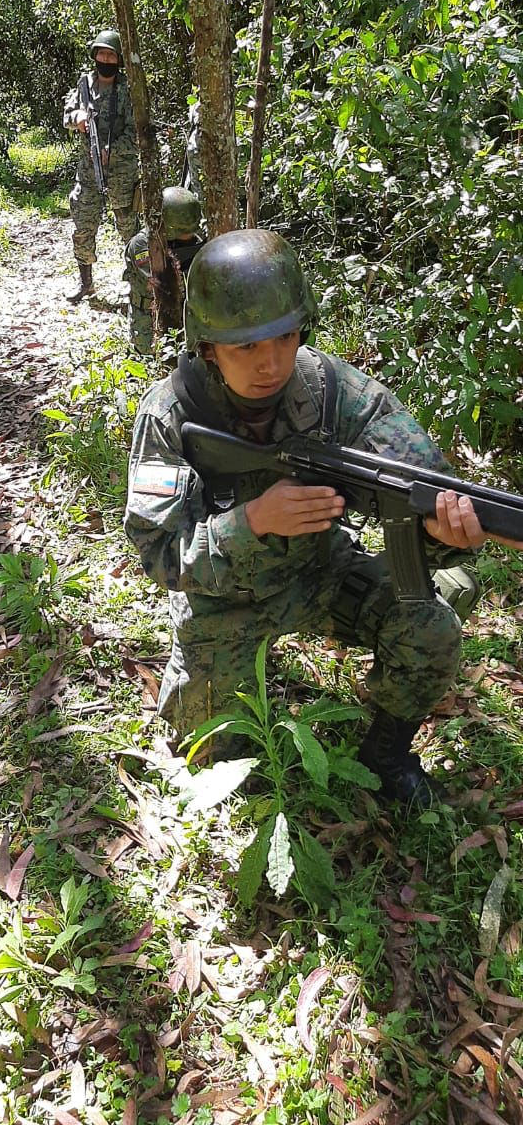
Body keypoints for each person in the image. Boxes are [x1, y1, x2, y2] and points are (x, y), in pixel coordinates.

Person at [124, 229, 523, 806]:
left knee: (431, 625)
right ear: (207, 346)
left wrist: (444, 535)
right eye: (246, 347)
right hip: (224, 598)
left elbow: (425, 485)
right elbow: (160, 554)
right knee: (216, 756)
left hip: (320, 572)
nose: (270, 363)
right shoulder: (171, 415)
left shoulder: (338, 392)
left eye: (285, 338)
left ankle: (385, 754)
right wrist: (252, 521)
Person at [63, 28, 140, 303]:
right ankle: (86, 283)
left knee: (129, 229)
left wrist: (112, 151)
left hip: (121, 172)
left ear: (118, 60)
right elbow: (66, 116)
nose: (105, 60)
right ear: (94, 56)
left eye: (111, 55)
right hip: (88, 171)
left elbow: (137, 134)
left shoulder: (128, 91)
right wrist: (77, 118)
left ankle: (139, 285)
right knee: (83, 225)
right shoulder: (85, 85)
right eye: (101, 54)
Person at [123, 186, 205, 354]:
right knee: (153, 355)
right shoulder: (142, 245)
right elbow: (162, 283)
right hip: (150, 319)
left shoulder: (195, 238)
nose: (190, 237)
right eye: (184, 233)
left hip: (187, 314)